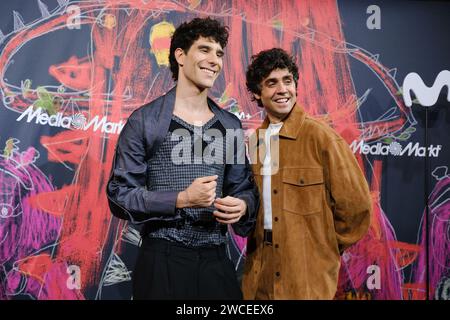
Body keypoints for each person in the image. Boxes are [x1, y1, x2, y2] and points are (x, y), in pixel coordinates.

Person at [106, 17, 259, 300]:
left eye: (219, 53)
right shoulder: (144, 121)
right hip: (162, 259)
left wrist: (242, 205)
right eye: (204, 50)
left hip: (216, 258)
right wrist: (182, 199)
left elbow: (245, 189)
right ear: (179, 55)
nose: (214, 60)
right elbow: (120, 195)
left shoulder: (231, 125)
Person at [241, 48, 372, 300]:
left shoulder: (321, 137)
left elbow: (357, 207)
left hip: (305, 274)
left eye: (287, 81)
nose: (282, 90)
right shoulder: (256, 141)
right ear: (258, 93)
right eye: (271, 83)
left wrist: (323, 247)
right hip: (259, 270)